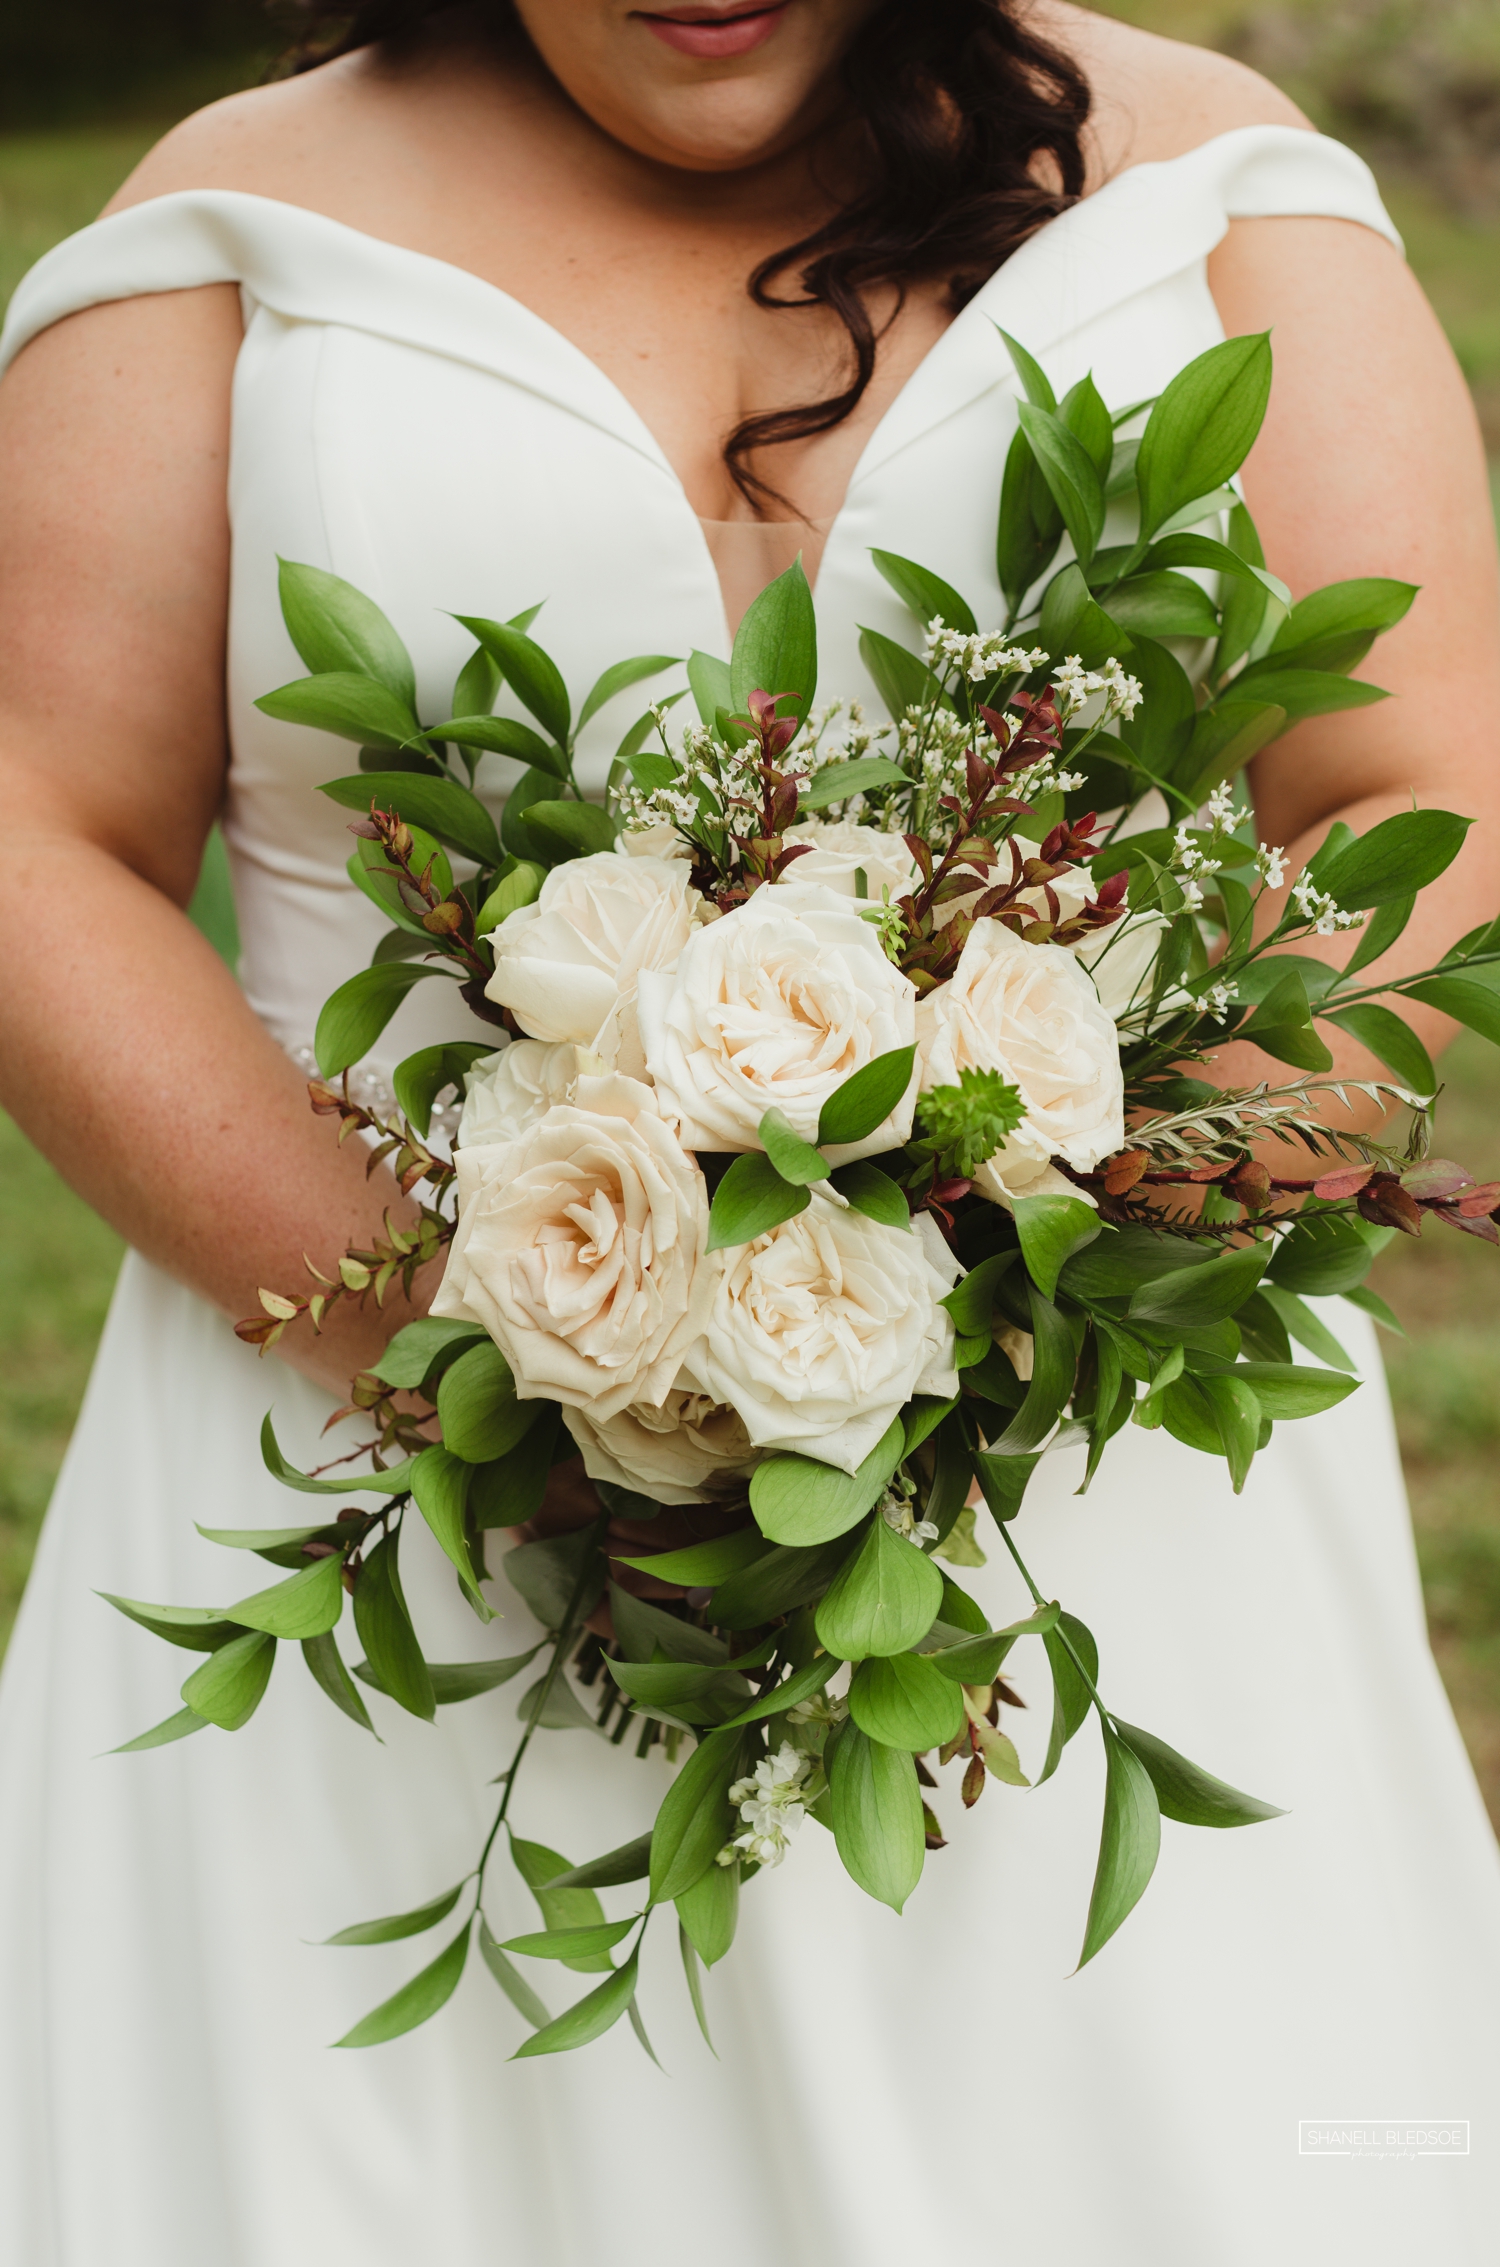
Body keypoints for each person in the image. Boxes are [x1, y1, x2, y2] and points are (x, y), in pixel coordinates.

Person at [2, 3, 1498, 2261]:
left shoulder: (1224, 200)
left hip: (1077, 1499)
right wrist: (524, 1335)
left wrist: (1023, 1296)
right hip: (374, 1489)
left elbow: (1416, 793)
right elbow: (34, 834)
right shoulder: (228, 236)